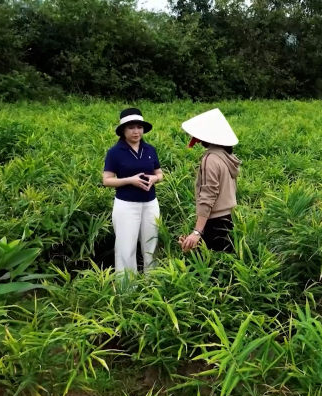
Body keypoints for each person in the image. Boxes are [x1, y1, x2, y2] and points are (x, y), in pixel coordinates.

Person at [102, 107, 164, 275]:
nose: (136, 131)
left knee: (151, 244)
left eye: (139, 127)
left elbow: (160, 173)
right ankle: (127, 287)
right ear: (123, 130)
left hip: (150, 203)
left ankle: (152, 282)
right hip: (126, 205)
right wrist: (130, 180)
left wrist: (155, 178)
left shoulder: (150, 149)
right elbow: (107, 180)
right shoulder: (115, 152)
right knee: (126, 247)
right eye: (131, 127)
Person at [179, 108, 241, 254]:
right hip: (228, 219)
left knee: (207, 264)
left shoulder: (210, 159)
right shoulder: (226, 157)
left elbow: (208, 196)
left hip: (214, 222)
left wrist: (197, 232)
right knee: (224, 263)